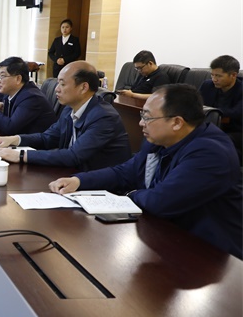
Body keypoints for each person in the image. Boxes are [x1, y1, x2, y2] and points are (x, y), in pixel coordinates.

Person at [50, 84, 242, 259]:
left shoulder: (210, 154)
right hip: (165, 235)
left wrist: (129, 195)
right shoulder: (158, 139)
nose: (141, 123)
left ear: (177, 122)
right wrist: (79, 181)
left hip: (210, 253)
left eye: (147, 117)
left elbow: (161, 201)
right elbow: (125, 172)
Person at [0, 61, 131, 170]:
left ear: (83, 87)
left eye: (62, 84)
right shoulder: (69, 109)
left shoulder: (104, 117)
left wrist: (21, 155)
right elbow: (48, 138)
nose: (57, 89)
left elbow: (74, 155)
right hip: (71, 176)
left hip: (101, 186)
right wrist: (15, 139)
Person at [0, 56, 57, 134]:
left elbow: (10, 128)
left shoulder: (31, 98)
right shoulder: (9, 94)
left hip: (34, 141)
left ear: (18, 79)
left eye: (2, 76)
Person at [199, 54, 242, 161]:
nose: (214, 79)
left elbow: (236, 113)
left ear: (233, 75)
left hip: (236, 130)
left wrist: (212, 113)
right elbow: (196, 105)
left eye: (218, 76)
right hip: (209, 126)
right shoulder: (207, 85)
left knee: (213, 141)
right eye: (212, 75)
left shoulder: (240, 90)